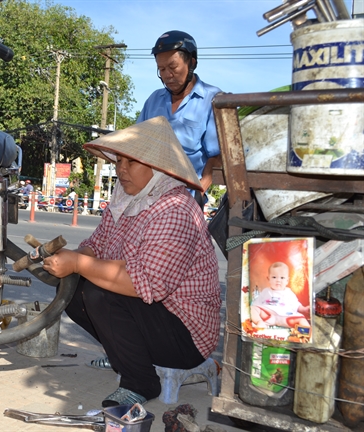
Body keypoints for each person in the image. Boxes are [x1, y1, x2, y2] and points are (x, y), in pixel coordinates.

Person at [42, 117, 221, 407]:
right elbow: (96, 244)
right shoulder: (126, 199)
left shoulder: (174, 208)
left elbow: (145, 284)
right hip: (154, 317)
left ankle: (140, 381)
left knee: (99, 292)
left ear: (158, 168)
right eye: (118, 162)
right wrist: (72, 260)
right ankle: (123, 356)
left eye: (131, 163)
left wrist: (79, 264)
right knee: (73, 287)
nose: (121, 171)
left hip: (186, 336)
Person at [137, 30, 222, 208]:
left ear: (192, 62)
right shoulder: (154, 100)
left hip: (184, 201)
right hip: (146, 197)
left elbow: (217, 156)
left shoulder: (212, 99)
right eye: (161, 69)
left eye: (173, 67)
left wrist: (201, 189)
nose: (167, 75)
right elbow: (137, 146)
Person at [251, 262, 311, 329]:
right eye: (274, 277)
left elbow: (296, 305)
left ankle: (305, 333)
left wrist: (304, 309)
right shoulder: (266, 291)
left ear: (287, 280)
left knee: (302, 319)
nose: (278, 280)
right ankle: (260, 322)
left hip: (285, 317)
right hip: (269, 315)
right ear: (268, 279)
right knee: (253, 309)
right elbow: (256, 304)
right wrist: (256, 310)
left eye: (282, 278)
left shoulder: (288, 292)